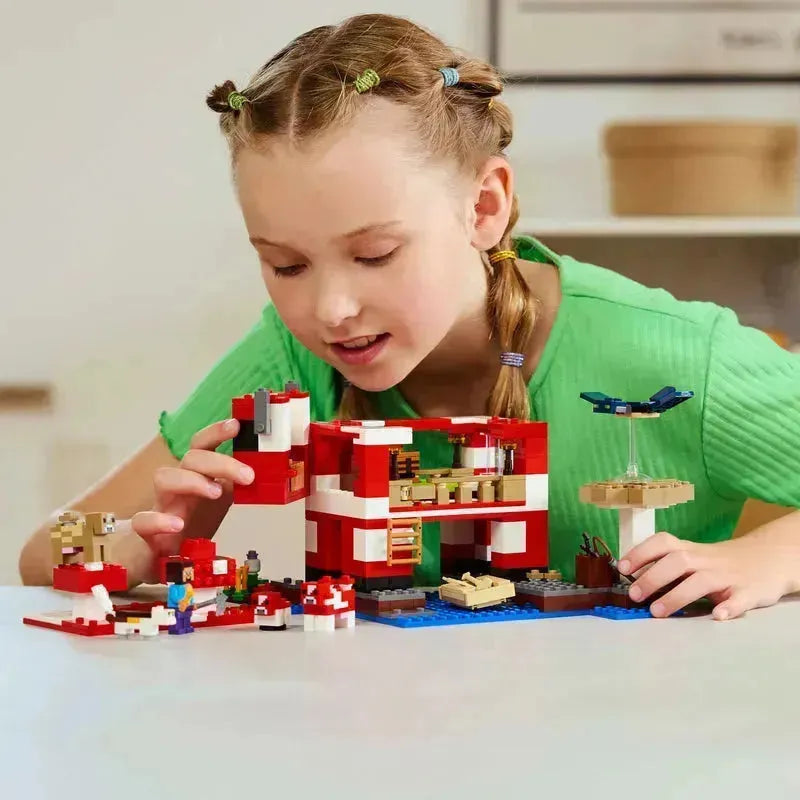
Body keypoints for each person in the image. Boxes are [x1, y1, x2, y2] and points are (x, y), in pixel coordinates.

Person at [19, 13, 800, 620]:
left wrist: (768, 558)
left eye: (375, 254)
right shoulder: (288, 358)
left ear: (484, 207)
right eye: (285, 265)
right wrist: (138, 546)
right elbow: (41, 552)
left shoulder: (673, 354)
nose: (329, 310)